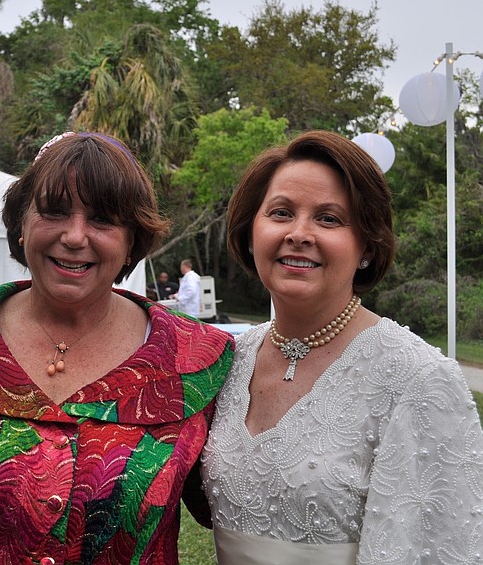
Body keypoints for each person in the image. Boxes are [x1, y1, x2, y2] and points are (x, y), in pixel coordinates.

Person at [0, 131, 234, 564]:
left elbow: (238, 509)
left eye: (102, 219)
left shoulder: (195, 357)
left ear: (131, 241)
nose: (75, 236)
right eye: (55, 212)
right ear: (20, 224)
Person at [196, 130, 483, 563]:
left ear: (367, 246)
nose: (299, 233)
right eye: (280, 212)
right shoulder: (227, 362)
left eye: (329, 219)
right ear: (251, 231)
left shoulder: (418, 379)